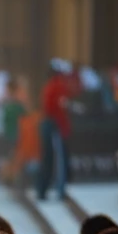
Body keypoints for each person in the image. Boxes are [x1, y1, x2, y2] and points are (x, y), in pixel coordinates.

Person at [36, 64, 74, 200]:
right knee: (59, 160)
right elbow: (57, 108)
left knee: (47, 158)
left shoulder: (49, 86)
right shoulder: (58, 86)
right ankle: (59, 188)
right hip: (55, 125)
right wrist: (63, 128)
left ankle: (43, 189)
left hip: (49, 123)